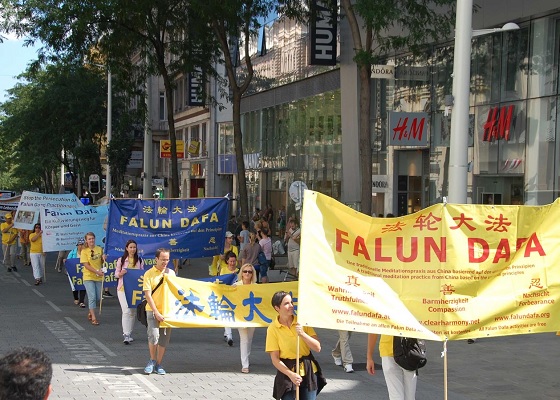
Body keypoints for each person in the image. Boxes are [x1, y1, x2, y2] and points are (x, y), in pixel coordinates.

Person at [266, 291, 325, 400]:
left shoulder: (301, 322)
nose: (291, 306)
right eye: (286, 303)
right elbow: (275, 359)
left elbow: (317, 347)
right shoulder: (273, 329)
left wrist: (302, 334)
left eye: (292, 302)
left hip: (308, 370)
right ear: (277, 308)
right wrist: (291, 375)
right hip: (287, 371)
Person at [143, 248, 176, 375]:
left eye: (167, 260)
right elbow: (148, 294)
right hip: (152, 310)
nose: (165, 262)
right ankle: (152, 360)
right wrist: (156, 311)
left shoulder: (171, 273)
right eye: (162, 259)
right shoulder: (149, 274)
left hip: (167, 311)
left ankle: (159, 364)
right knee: (154, 335)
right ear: (156, 259)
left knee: (164, 339)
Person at [366, 334, 417, 400]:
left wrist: (369, 357)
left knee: (396, 395)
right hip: (409, 349)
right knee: (410, 396)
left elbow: (373, 330)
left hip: (388, 349)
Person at [115, 239, 145, 344]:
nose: (132, 249)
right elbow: (116, 274)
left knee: (132, 312)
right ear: (127, 248)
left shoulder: (140, 260)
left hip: (135, 289)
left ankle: (129, 332)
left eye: (134, 247)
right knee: (126, 311)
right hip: (122, 288)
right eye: (130, 247)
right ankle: (126, 334)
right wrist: (121, 273)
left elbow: (142, 274)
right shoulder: (121, 260)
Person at [235, 263, 257, 373]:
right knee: (244, 339)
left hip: (253, 316)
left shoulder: (256, 286)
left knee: (249, 338)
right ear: (241, 273)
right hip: (240, 316)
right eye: (245, 271)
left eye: (250, 271)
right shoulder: (236, 285)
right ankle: (245, 364)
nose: (247, 273)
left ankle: (246, 358)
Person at [80, 232, 106, 326]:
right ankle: (94, 317)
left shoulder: (99, 249)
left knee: (99, 297)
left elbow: (102, 261)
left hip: (98, 277)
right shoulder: (84, 251)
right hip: (88, 276)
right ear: (86, 240)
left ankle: (91, 311)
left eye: (92, 238)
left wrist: (104, 258)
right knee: (92, 297)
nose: (91, 240)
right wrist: (96, 271)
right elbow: (86, 265)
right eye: (89, 239)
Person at [222, 251, 240, 347]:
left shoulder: (239, 271)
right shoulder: (223, 270)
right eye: (231, 261)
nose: (232, 263)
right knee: (227, 314)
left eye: (234, 261)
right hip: (226, 295)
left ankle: (226, 333)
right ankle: (229, 336)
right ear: (227, 261)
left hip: (236, 296)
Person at [63, 239, 87, 307]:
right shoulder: (73, 252)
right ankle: (76, 298)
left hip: (83, 272)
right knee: (74, 286)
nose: (81, 246)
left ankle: (82, 301)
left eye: (82, 245)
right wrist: (66, 261)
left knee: (83, 286)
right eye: (80, 245)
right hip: (73, 272)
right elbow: (68, 260)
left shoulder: (87, 252)